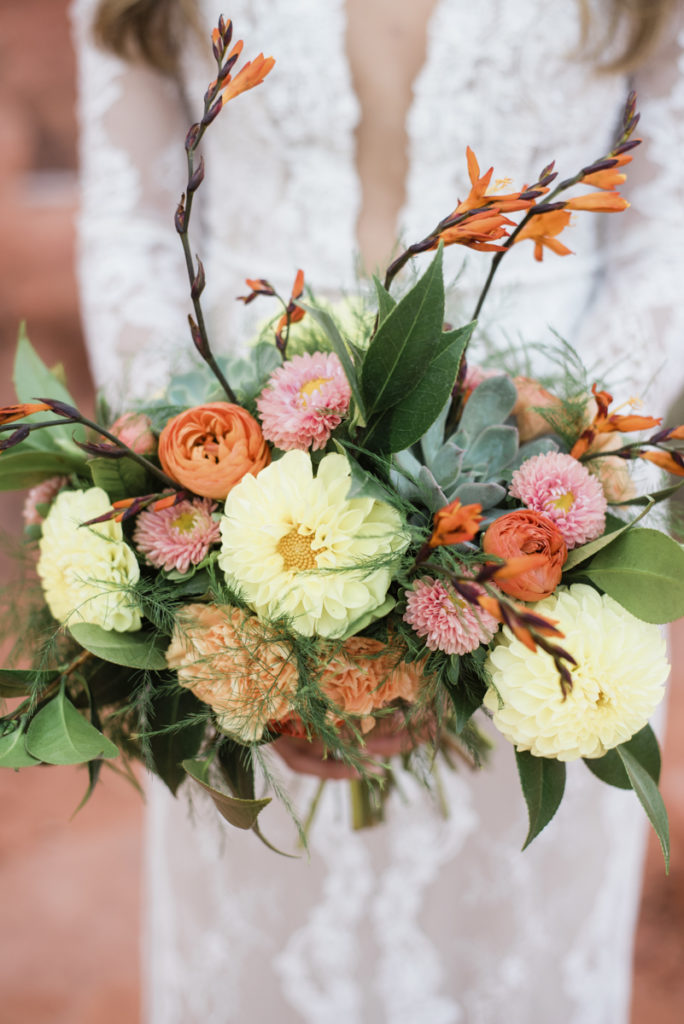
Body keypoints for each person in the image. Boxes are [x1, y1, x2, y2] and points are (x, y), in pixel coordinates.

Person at [70, 1, 684, 1020]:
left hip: (535, 534)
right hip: (247, 499)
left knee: (511, 945)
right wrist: (200, 492)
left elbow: (668, 226)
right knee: (262, 910)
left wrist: (557, 489)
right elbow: (132, 215)